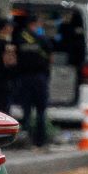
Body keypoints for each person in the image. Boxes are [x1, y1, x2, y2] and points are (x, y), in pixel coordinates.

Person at [10, 10, 51, 146]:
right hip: (39, 78)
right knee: (40, 110)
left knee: (26, 110)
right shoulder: (42, 39)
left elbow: (14, 57)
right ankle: (40, 140)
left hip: (24, 78)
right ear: (36, 24)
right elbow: (50, 56)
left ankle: (26, 139)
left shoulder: (19, 39)